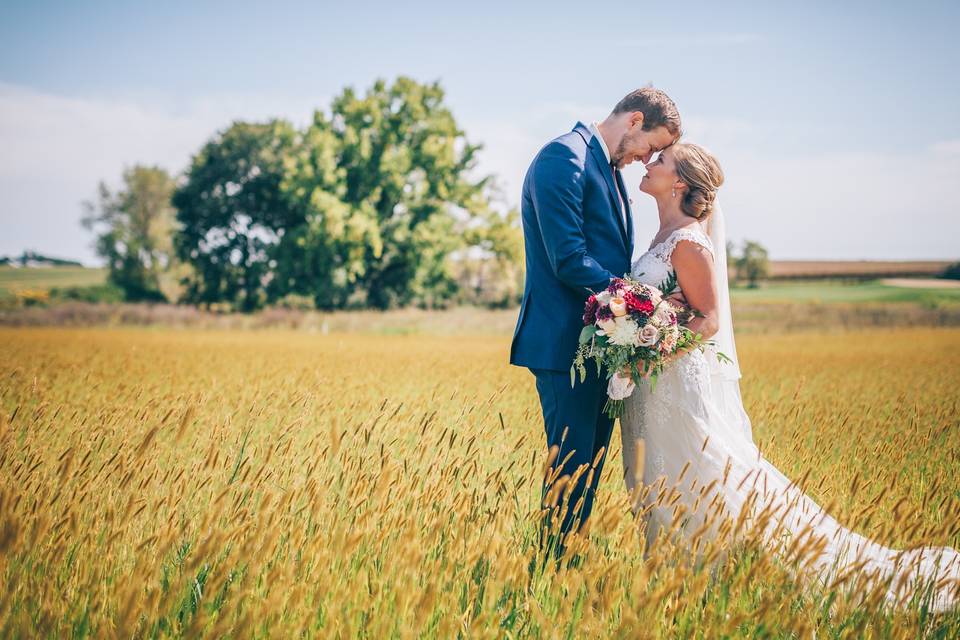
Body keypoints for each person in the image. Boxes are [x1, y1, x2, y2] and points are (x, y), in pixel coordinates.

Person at [620, 142, 960, 612]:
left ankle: (793, 570)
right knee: (656, 480)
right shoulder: (663, 235)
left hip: (674, 381)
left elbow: (709, 319)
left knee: (706, 473)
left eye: (660, 161)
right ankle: (675, 587)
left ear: (679, 183)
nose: (648, 162)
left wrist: (652, 353)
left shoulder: (690, 243)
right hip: (648, 385)